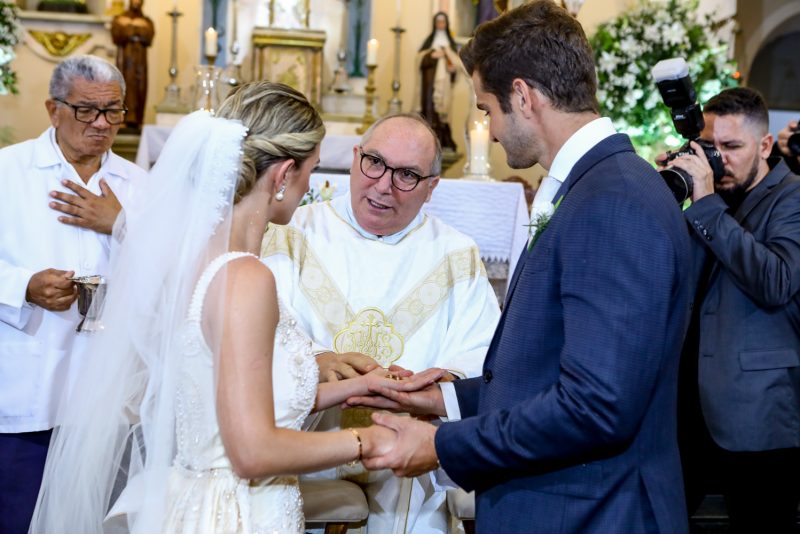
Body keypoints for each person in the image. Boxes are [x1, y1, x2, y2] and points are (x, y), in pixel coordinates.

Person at [28, 81, 443, 533]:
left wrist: (354, 388)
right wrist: (367, 440)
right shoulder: (246, 277)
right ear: (283, 175)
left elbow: (234, 399)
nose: (310, 187)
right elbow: (251, 451)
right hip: (235, 511)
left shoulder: (203, 258)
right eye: (311, 171)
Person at [351, 2, 695, 532]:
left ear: (523, 97)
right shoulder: (596, 187)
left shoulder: (614, 201)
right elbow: (550, 368)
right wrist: (443, 399)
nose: (487, 131)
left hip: (592, 511)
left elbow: (596, 406)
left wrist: (443, 446)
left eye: (487, 109)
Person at [261, 112, 500, 533]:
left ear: (431, 188)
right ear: (355, 158)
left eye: (407, 175)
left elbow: (486, 353)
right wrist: (317, 359)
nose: (384, 185)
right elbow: (261, 331)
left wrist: (442, 381)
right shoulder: (292, 234)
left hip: (409, 453)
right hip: (309, 445)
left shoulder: (456, 253)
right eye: (374, 162)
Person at [0, 54, 146, 534]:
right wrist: (23, 285)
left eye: (113, 111)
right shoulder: (8, 172)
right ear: (52, 109)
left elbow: (175, 277)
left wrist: (121, 224)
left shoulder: (140, 186)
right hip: (27, 391)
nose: (102, 124)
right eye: (87, 110)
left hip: (105, 401)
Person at [660, 87, 800, 533]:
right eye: (710, 147)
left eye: (732, 147)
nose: (719, 160)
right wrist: (664, 195)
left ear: (763, 145)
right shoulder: (706, 195)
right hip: (687, 406)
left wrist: (705, 202)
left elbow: (775, 281)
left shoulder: (792, 198)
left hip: (757, 415)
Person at [415, 12, 459, 152]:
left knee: (442, 113)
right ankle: (426, 141)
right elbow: (419, 59)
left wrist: (449, 60)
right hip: (429, 85)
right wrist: (431, 56)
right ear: (435, 24)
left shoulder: (450, 45)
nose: (440, 25)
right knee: (429, 109)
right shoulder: (429, 43)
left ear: (446, 24)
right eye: (438, 22)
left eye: (443, 22)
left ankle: (442, 140)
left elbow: (456, 65)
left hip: (445, 86)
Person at [110, 0, 154, 132]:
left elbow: (149, 36)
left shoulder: (147, 20)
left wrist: (129, 26)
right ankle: (123, 117)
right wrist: (136, 27)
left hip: (140, 60)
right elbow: (117, 34)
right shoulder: (119, 18)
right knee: (123, 85)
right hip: (125, 58)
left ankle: (138, 119)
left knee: (140, 87)